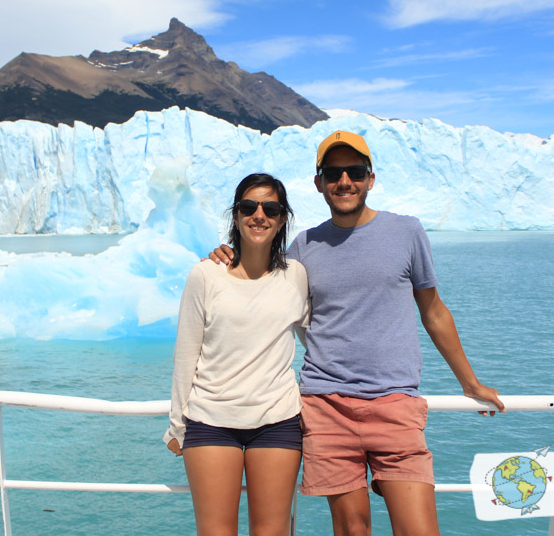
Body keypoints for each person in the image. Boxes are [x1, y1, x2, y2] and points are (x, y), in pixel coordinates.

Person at [212, 130, 505, 536]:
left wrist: (470, 383)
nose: (344, 182)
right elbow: (260, 285)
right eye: (333, 174)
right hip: (326, 407)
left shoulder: (406, 232)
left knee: (419, 530)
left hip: (395, 403)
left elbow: (433, 312)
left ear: (370, 178)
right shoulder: (304, 246)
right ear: (319, 184)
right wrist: (224, 254)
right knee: (352, 530)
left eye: (354, 171)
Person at [165, 173, 310, 536]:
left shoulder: (295, 276)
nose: (259, 215)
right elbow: (186, 354)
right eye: (249, 207)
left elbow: (320, 340)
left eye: (270, 208)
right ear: (236, 216)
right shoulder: (206, 274)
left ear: (281, 219)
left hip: (277, 421)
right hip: (211, 419)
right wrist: (177, 425)